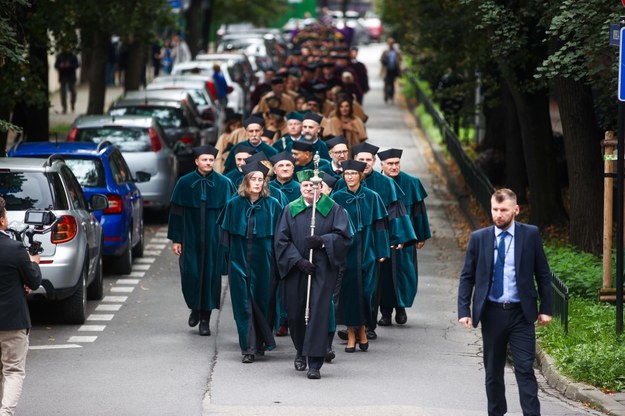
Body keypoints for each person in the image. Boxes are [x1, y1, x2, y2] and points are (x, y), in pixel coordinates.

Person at [457, 188, 553, 416]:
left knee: (525, 369)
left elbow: (543, 273)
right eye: (495, 210)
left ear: (516, 210)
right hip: (492, 313)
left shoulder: (530, 235)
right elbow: (467, 276)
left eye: (504, 210)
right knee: (493, 372)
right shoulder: (479, 238)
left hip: (521, 314)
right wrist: (464, 310)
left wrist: (546, 308)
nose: (498, 215)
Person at [274, 169, 353, 379]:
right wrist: (298, 260)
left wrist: (323, 241)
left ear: (320, 188)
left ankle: (315, 363)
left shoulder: (333, 209)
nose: (309, 188)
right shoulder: (290, 209)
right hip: (296, 268)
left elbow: (344, 237)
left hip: (322, 269)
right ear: (300, 188)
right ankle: (300, 351)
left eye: (313, 185)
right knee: (296, 311)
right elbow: (281, 240)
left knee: (318, 313)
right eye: (305, 186)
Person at [167, 144, 237, 336]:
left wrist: (228, 240)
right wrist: (176, 239)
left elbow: (230, 213)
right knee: (191, 274)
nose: (208, 162)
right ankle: (194, 308)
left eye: (210, 160)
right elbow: (177, 213)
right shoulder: (184, 183)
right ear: (196, 161)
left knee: (211, 277)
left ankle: (205, 319)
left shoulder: (224, 183)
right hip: (190, 237)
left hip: (214, 239)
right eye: (204, 160)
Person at [218, 161, 282, 363]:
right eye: (253, 179)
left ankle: (261, 342)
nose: (256, 183)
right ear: (246, 181)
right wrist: (226, 262)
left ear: (264, 182)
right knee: (243, 304)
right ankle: (248, 348)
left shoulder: (273, 205)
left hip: (265, 262)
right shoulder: (233, 204)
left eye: (260, 179)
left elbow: (280, 237)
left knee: (262, 302)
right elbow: (225, 236)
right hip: (238, 261)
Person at [332, 160, 389, 353]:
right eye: (346, 174)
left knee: (366, 292)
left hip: (368, 249)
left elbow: (380, 226)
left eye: (353, 174)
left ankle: (363, 329)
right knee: (349, 294)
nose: (349, 177)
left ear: (360, 175)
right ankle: (350, 333)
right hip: (346, 251)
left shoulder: (372, 197)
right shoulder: (337, 197)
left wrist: (382, 250)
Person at [377, 148, 432, 326]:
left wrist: (420, 235)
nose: (394, 167)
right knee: (383, 276)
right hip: (383, 235)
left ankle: (401, 308)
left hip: (406, 236)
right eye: (390, 164)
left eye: (396, 163)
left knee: (404, 273)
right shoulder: (376, 182)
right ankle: (385, 312)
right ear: (382, 165)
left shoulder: (411, 183)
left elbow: (418, 212)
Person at [0, 197, 41, 416]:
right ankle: (5, 413)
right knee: (13, 370)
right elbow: (33, 281)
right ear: (1, 221)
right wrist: (34, 261)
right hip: (12, 320)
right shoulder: (14, 248)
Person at [54, 49, 80, 114]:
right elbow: (56, 65)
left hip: (71, 76)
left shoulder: (73, 56)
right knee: (63, 94)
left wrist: (70, 65)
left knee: (73, 92)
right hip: (63, 76)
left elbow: (77, 64)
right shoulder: (60, 56)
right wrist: (60, 65)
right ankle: (64, 108)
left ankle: (72, 104)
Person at [380, 37, 402, 103]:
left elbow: (400, 60)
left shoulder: (397, 51)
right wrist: (385, 62)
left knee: (392, 83)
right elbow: (381, 59)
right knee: (386, 83)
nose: (391, 44)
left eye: (392, 43)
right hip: (387, 70)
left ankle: (391, 96)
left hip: (394, 70)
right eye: (390, 43)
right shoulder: (385, 51)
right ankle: (386, 95)